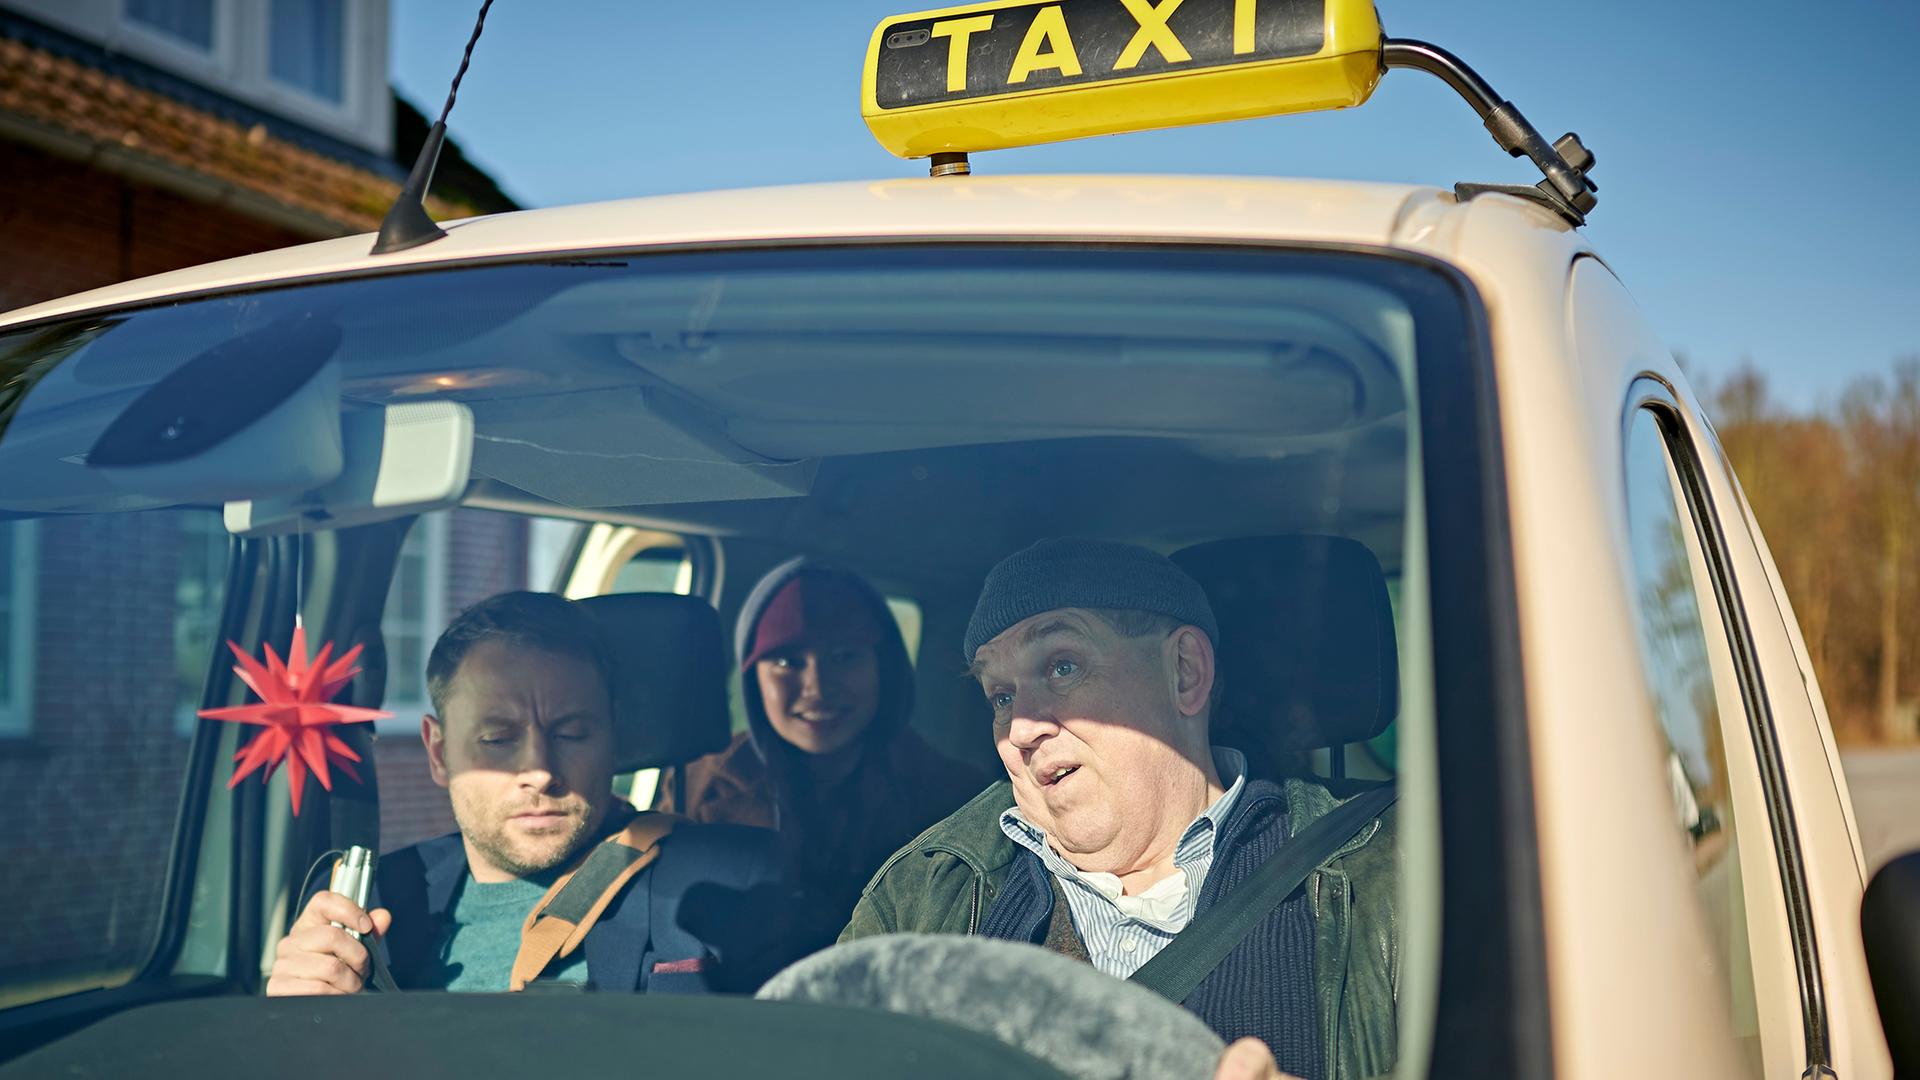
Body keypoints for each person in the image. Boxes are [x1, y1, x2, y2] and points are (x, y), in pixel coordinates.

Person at [840, 539, 1398, 1080]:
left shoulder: (1403, 871)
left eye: (1062, 667)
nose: (1022, 729)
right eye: (1001, 697)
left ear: (1185, 671)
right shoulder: (921, 894)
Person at [267, 591, 789, 996]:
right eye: (498, 739)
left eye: (572, 733)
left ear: (613, 736)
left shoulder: (740, 881)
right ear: (439, 753)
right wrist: (298, 1026)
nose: (539, 771)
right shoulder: (362, 905)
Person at [659, 558, 988, 950]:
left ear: (883, 667)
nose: (817, 688)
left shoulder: (959, 800)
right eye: (788, 661)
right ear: (752, 678)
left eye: (845, 656)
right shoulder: (700, 784)